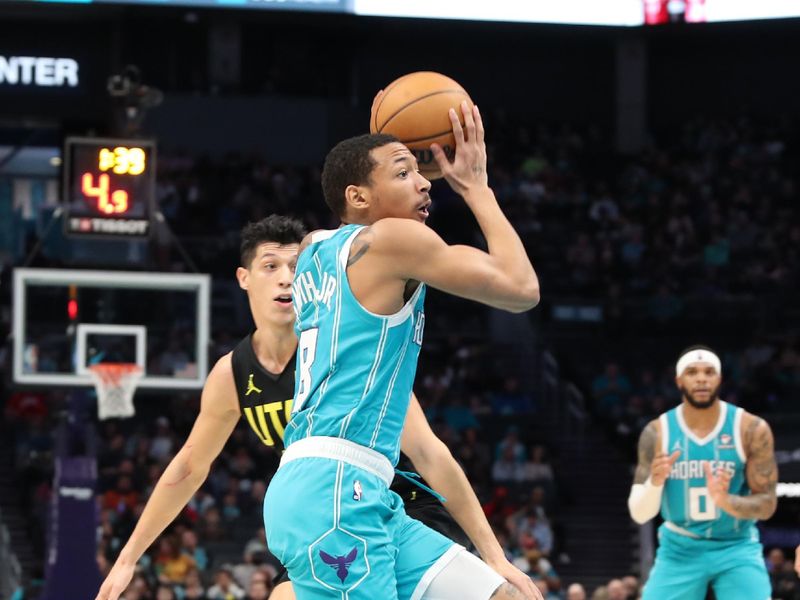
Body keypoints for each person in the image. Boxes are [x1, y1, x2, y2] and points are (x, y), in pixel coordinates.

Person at [96, 215, 530, 600]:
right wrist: (128, 557)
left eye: (295, 266)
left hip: (398, 506)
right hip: (320, 517)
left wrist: (495, 553)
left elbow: (431, 454)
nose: (286, 278)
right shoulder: (232, 374)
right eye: (271, 267)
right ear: (244, 278)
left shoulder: (349, 352)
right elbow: (190, 465)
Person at [264, 102, 540, 600]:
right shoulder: (391, 238)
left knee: (509, 597)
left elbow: (430, 451)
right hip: (334, 488)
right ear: (358, 197)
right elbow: (521, 289)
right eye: (404, 171)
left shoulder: (312, 250)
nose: (425, 182)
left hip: (356, 488)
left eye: (418, 171)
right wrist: (476, 187)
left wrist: (494, 556)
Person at [628, 345, 778, 600]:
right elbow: (640, 514)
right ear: (679, 380)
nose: (701, 378)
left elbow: (767, 504)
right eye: (692, 372)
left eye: (709, 372)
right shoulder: (657, 432)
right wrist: (655, 482)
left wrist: (726, 501)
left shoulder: (750, 428)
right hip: (679, 548)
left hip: (736, 545)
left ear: (719, 379)